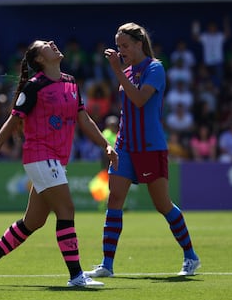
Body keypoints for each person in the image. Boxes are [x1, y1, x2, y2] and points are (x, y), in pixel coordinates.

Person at [0, 40, 119, 287]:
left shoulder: (71, 82)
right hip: (40, 156)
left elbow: (83, 119)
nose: (52, 44)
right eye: (45, 45)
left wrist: (104, 144)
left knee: (33, 222)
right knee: (67, 210)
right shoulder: (33, 87)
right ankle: (76, 276)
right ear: (39, 59)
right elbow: (11, 122)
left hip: (56, 160)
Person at [84, 22, 201, 278]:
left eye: (125, 45)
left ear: (139, 44)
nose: (121, 50)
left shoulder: (155, 68)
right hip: (125, 145)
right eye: (118, 46)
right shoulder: (127, 71)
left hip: (150, 147)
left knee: (162, 205)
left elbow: (138, 101)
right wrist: (121, 71)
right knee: (114, 200)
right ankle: (107, 265)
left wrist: (117, 71)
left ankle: (191, 256)